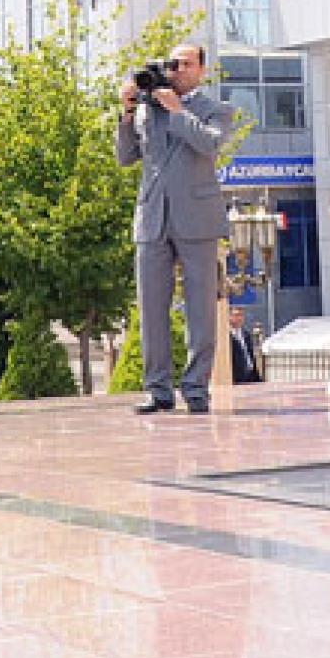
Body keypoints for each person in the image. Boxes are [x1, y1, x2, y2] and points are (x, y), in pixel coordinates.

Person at [115, 44, 233, 414]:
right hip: (152, 218)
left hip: (197, 219)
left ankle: (196, 388)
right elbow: (125, 157)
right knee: (151, 308)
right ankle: (158, 389)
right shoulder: (149, 110)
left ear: (201, 70)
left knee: (200, 309)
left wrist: (177, 111)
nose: (178, 70)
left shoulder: (215, 109)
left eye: (186, 64)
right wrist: (127, 110)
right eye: (173, 64)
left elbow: (210, 143)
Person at [227, 303, 263, 385]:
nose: (239, 318)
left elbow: (250, 357)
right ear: (229, 316)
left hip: (251, 377)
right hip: (237, 379)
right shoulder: (226, 337)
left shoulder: (246, 334)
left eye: (241, 315)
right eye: (236, 315)